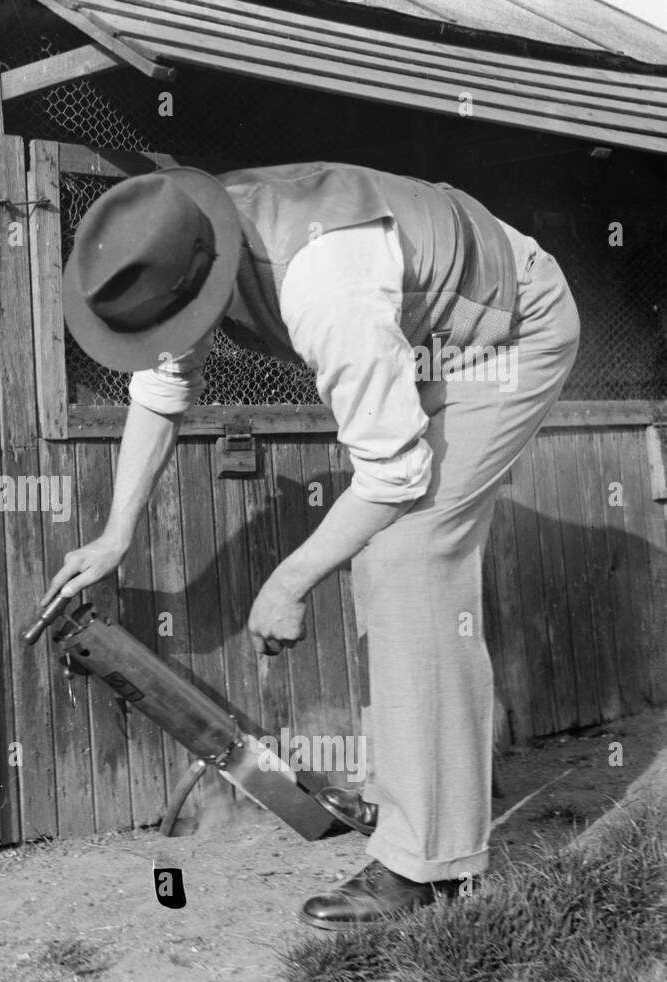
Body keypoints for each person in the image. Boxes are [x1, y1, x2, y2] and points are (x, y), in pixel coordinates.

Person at [42, 162, 580, 929]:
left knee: (411, 553)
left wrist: (287, 581)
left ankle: (426, 867)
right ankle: (414, 789)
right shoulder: (184, 236)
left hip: (511, 329)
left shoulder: (325, 284)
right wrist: (116, 533)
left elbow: (393, 475)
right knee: (387, 552)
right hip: (429, 332)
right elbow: (162, 392)